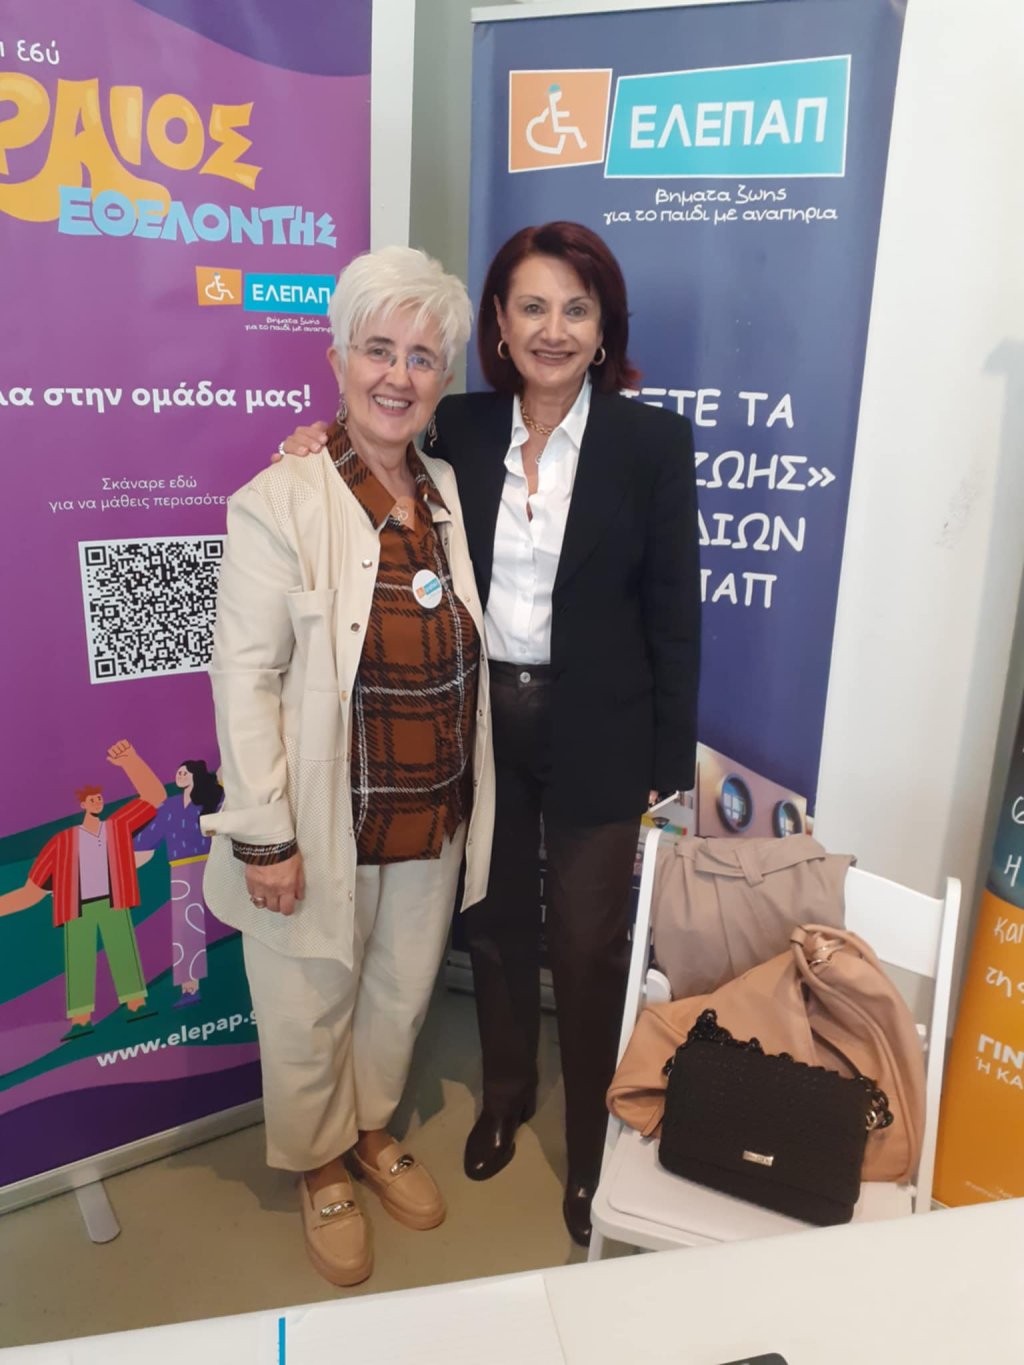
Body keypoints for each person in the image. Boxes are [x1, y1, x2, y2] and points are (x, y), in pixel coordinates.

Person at [275, 222, 700, 1246]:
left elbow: (675, 614)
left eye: (576, 309)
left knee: (588, 946)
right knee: (498, 926)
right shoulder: (458, 427)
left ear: (604, 329)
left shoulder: (651, 445)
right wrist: (310, 443)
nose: (554, 329)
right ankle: (505, 1097)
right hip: (478, 725)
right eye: (532, 307)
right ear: (500, 327)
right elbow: (371, 450)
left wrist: (667, 760)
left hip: (602, 730)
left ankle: (590, 1147)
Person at [202, 246, 494, 1287]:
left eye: (422, 357)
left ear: (442, 378)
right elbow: (243, 679)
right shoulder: (277, 499)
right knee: (306, 1005)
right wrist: (265, 836)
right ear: (337, 360)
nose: (398, 376)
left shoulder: (446, 489)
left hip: (430, 812)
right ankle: (319, 1164)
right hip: (323, 823)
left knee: (398, 993)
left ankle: (372, 1132)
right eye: (378, 349)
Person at [0, 740, 165, 1039]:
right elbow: (30, 893)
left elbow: (154, 797)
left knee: (123, 951)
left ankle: (135, 1005)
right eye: (92, 799)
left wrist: (131, 761)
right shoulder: (60, 843)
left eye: (100, 798)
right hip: (76, 908)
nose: (98, 802)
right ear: (82, 805)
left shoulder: (117, 827)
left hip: (114, 901)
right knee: (79, 960)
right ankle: (80, 1020)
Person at [134, 759, 224, 1006]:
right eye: (179, 772)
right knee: (186, 929)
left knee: (229, 916)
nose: (180, 775)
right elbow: (147, 840)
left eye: (185, 772)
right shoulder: (171, 806)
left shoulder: (214, 799)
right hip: (182, 870)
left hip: (215, 863)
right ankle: (190, 987)